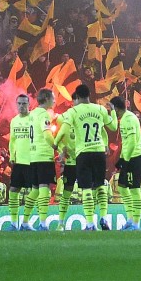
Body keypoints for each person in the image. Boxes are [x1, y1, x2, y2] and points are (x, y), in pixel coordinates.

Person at [53, 85, 115, 231]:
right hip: (82, 157)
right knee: (75, 191)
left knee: (88, 188)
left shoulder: (72, 113)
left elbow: (61, 132)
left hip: (82, 155)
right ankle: (62, 223)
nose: (74, 103)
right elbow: (108, 129)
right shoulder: (98, 109)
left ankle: (90, 223)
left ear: (78, 98)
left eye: (75, 99)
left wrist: (55, 145)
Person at [23, 89, 57, 230]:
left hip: (32, 155)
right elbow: (47, 135)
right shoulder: (43, 115)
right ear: (47, 99)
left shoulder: (31, 114)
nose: (54, 101)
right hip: (43, 155)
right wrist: (58, 148)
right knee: (44, 188)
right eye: (53, 98)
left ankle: (25, 222)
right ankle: (43, 223)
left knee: (35, 189)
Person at [112, 96, 141, 230]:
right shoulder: (124, 119)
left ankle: (136, 224)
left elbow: (132, 141)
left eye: (111, 109)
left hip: (134, 158)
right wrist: (121, 158)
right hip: (128, 157)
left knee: (134, 189)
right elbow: (126, 142)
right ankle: (130, 219)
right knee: (122, 187)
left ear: (116, 108)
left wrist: (125, 160)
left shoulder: (129, 119)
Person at [3, 93, 34, 231]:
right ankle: (14, 223)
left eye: (24, 103)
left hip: (32, 161)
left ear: (29, 105)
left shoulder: (34, 119)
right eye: (19, 103)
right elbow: (13, 140)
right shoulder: (14, 121)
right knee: (14, 190)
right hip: (19, 162)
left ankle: (27, 222)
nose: (21, 106)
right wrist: (12, 155)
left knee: (34, 191)